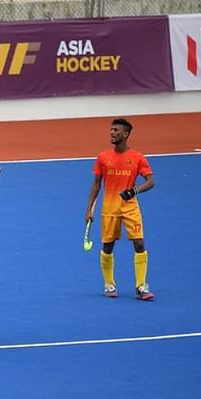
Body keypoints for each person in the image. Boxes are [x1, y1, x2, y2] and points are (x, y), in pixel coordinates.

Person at [85, 118, 155, 300]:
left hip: (130, 207)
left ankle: (141, 286)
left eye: (116, 130)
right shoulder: (102, 157)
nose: (112, 133)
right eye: (111, 130)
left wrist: (134, 191)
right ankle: (109, 284)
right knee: (108, 246)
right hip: (109, 207)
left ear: (126, 134)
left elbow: (150, 181)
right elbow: (96, 184)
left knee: (139, 243)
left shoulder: (138, 157)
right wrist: (89, 209)